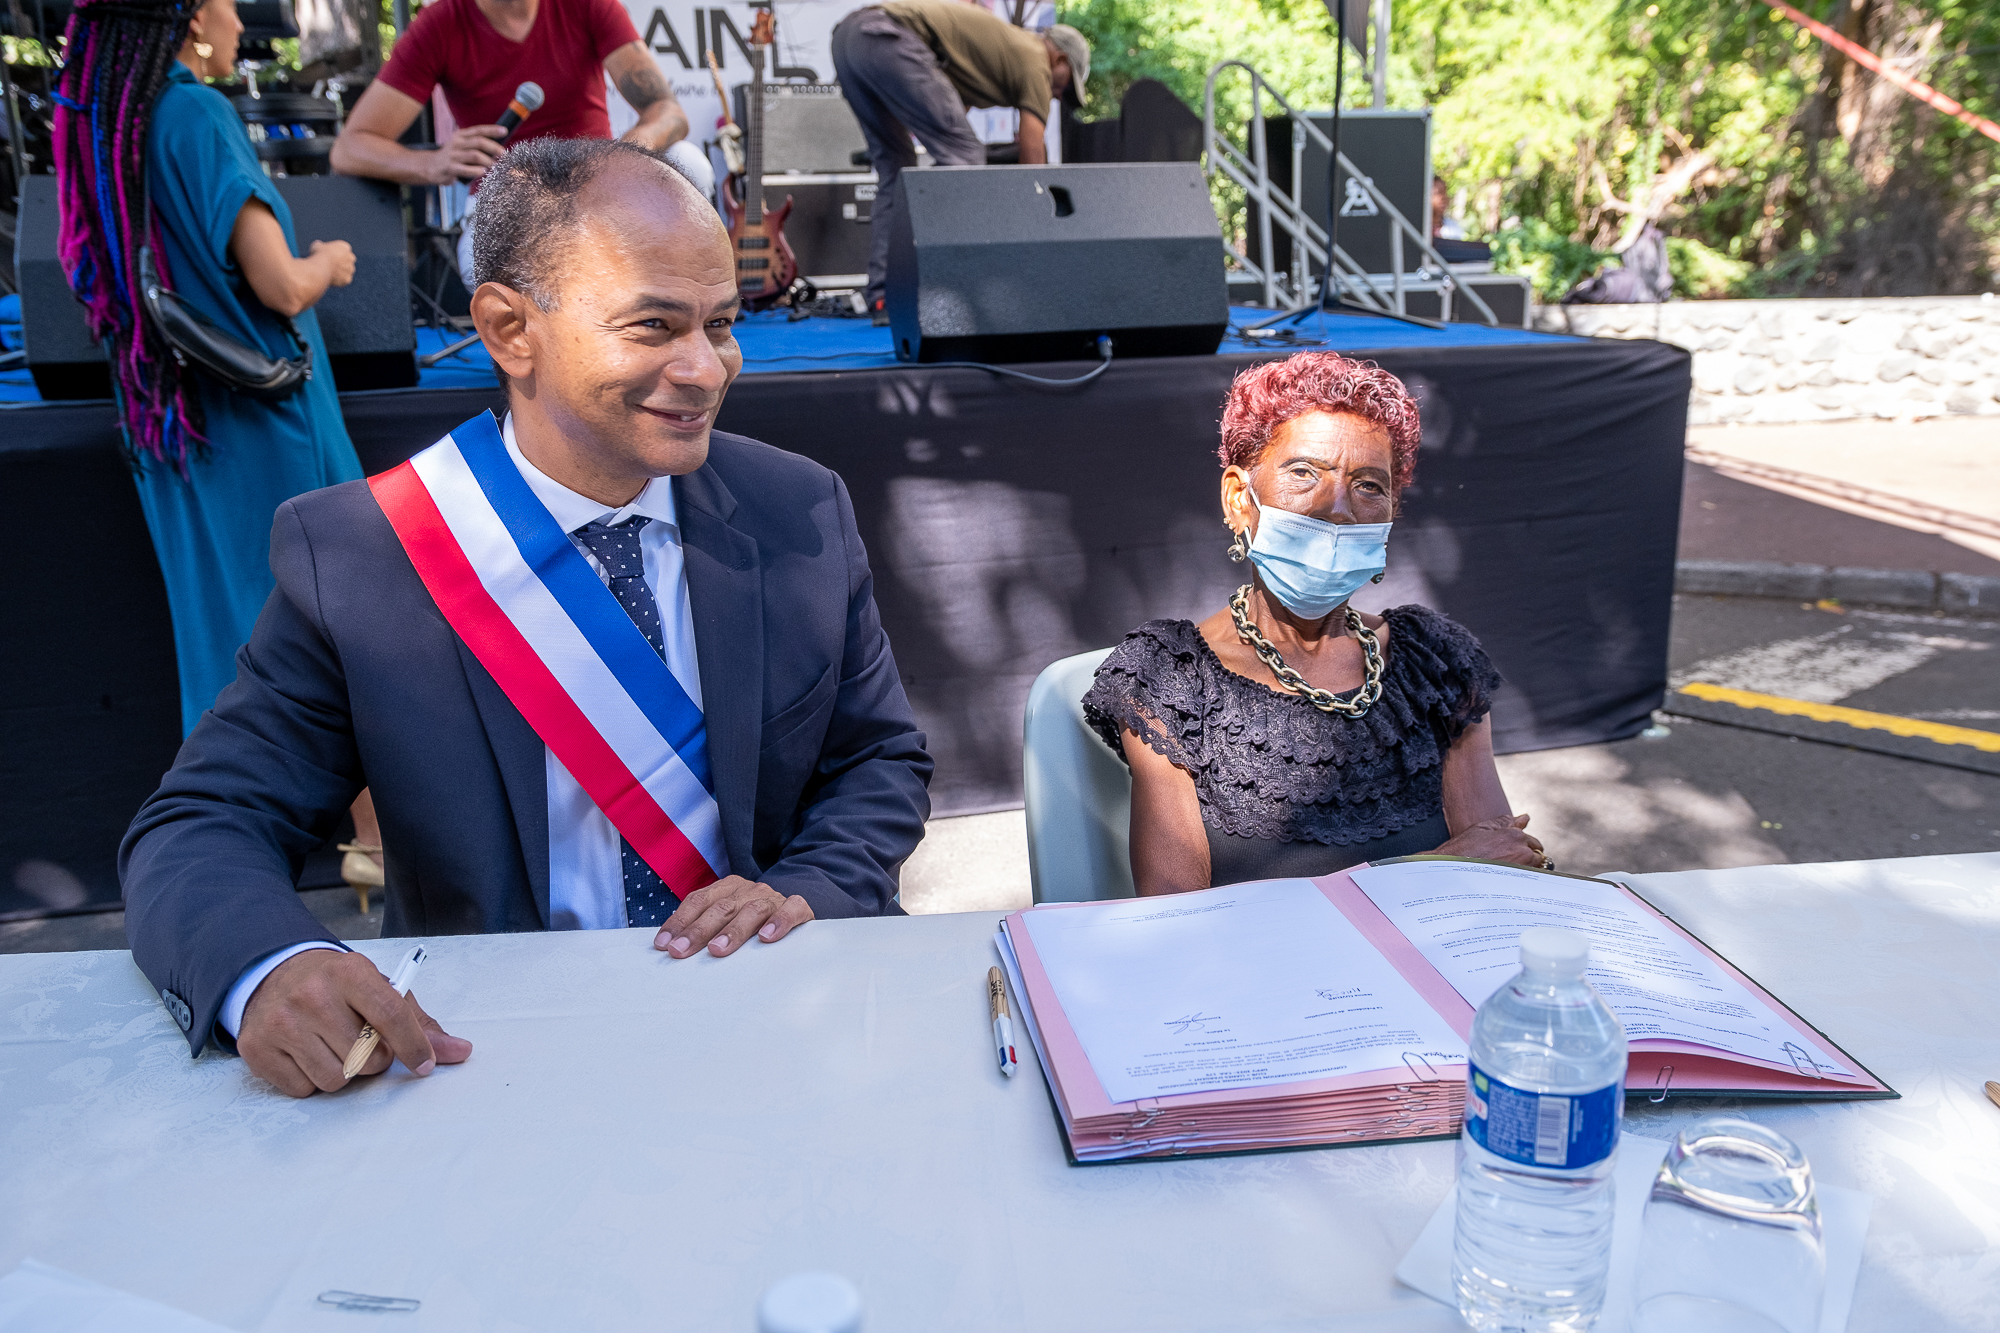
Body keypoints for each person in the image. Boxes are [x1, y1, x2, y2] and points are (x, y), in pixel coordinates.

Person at [120, 138, 935, 1097]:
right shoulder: (362, 555)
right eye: (653, 326)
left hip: (774, 1018)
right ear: (511, 330)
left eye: (721, 323)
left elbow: (878, 761)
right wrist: (267, 970)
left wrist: (805, 892)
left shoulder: (799, 509)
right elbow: (203, 821)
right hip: (493, 1056)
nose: (707, 369)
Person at [52, 0, 391, 891]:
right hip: (259, 420)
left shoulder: (103, 123)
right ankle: (375, 847)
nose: (246, 19)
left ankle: (219, 861)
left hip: (174, 420)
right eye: (232, 4)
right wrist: (329, 261)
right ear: (196, 20)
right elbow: (279, 283)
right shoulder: (195, 112)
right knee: (335, 624)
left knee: (227, 643)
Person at [1081, 352, 1548, 894]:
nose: (1339, 509)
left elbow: (1499, 874)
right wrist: (1431, 867)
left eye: (1370, 486)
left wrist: (1463, 868)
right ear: (1239, 500)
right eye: (1304, 473)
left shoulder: (1436, 663)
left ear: (1393, 513)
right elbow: (1179, 919)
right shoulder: (1171, 680)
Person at [326, 0, 713, 283]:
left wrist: (620, 156)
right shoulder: (439, 23)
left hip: (600, 186)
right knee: (484, 276)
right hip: (508, 199)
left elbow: (668, 111)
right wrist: (432, 163)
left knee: (687, 162)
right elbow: (350, 148)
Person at [831, 2, 1090, 320]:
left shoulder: (992, 54)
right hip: (888, 36)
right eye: (1066, 85)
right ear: (1060, 58)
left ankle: (886, 295)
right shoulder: (1036, 57)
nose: (1059, 95)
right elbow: (1033, 152)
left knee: (895, 167)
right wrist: (1043, 232)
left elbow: (949, 120)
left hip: (850, 40)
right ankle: (945, 283)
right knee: (966, 157)